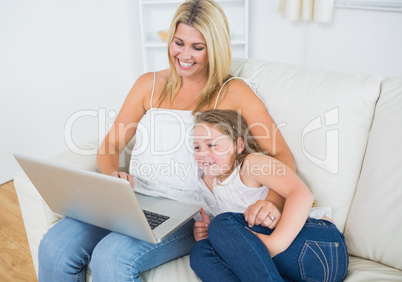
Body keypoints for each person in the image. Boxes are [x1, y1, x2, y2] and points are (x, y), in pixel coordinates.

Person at [37, 0, 295, 281]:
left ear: (216, 48)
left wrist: (272, 201)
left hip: (186, 212)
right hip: (131, 201)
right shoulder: (148, 85)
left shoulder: (234, 92)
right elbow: (110, 146)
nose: (184, 55)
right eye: (178, 43)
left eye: (198, 47)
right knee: (55, 247)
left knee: (111, 258)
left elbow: (281, 154)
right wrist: (113, 177)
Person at [190, 109, 349, 282]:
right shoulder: (212, 184)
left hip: (318, 247)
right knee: (201, 251)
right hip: (286, 268)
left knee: (221, 225)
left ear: (239, 145)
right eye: (197, 147)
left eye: (212, 145)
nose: (202, 153)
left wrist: (275, 244)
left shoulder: (251, 164)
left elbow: (302, 194)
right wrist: (212, 234)